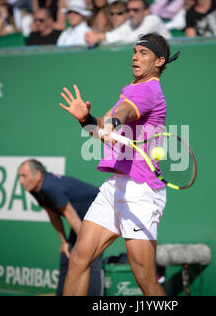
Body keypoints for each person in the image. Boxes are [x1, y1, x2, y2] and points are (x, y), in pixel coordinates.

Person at [58, 33, 180, 296]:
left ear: (159, 61)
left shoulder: (147, 90)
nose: (135, 57)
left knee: (145, 278)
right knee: (79, 258)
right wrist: (86, 118)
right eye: (134, 52)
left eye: (143, 53)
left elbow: (123, 114)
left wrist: (114, 122)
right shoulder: (133, 89)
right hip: (116, 186)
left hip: (141, 192)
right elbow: (101, 129)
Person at [18, 159, 103, 296]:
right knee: (67, 253)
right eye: (19, 177)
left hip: (98, 214)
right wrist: (64, 241)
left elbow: (69, 214)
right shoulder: (35, 189)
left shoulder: (50, 187)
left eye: (24, 176)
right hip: (81, 220)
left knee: (91, 256)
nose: (20, 181)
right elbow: (52, 213)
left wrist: (85, 243)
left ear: (38, 175)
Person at [85, 0, 171, 46]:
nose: (131, 13)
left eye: (135, 10)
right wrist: (98, 36)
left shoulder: (153, 20)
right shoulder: (131, 23)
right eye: (129, 10)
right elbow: (118, 34)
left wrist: (100, 37)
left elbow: (134, 38)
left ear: (146, 11)